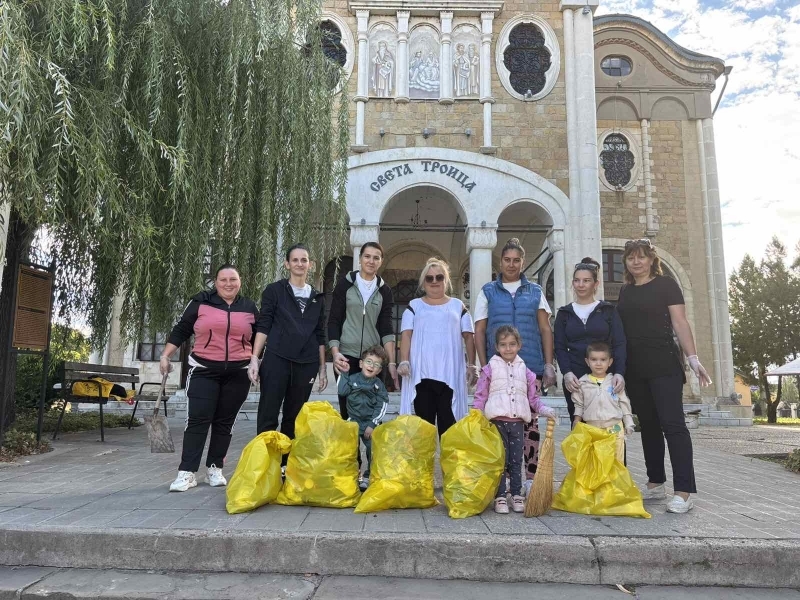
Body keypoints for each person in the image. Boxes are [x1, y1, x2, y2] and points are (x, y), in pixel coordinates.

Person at [616, 238, 712, 514]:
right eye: (631, 258)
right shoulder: (625, 291)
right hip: (635, 368)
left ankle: (683, 492)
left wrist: (693, 358)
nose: (636, 262)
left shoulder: (666, 285)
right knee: (648, 425)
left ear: (651, 260)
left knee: (673, 425)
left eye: (641, 257)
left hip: (664, 365)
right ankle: (656, 482)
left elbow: (680, 322)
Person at [161, 265, 258, 492]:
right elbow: (182, 329)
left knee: (225, 422)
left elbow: (259, 337)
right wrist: (166, 355)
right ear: (215, 282)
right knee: (198, 419)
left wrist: (257, 363)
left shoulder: (250, 307)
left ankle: (215, 467)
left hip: (238, 372)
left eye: (233, 279)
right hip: (203, 369)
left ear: (240, 282)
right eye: (223, 279)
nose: (228, 284)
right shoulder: (200, 302)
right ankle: (187, 472)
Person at [474, 237, 556, 495]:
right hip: (498, 370)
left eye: (516, 260)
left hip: (529, 366)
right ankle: (507, 479)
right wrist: (484, 365)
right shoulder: (488, 291)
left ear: (522, 262)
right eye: (507, 260)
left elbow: (545, 329)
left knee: (529, 425)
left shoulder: (535, 291)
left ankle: (530, 478)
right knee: (502, 425)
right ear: (500, 261)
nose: (511, 264)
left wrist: (549, 364)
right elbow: (480, 330)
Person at [248, 244, 327, 463]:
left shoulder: (318, 297)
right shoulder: (274, 291)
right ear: (287, 264)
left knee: (294, 417)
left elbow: (320, 334)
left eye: (304, 260)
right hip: (277, 360)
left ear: (310, 265)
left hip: (306, 363)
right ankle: (266, 464)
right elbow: (264, 325)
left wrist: (322, 368)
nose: (300, 264)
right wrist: (254, 358)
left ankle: (285, 466)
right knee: (268, 414)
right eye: (295, 260)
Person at [472, 326, 556, 514]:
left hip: (518, 423)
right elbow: (480, 395)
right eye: (503, 345)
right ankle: (500, 496)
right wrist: (476, 414)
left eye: (512, 344)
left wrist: (544, 409)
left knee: (516, 460)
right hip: (497, 422)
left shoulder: (526, 371)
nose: (508, 348)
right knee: (501, 460)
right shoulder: (489, 369)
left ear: (519, 345)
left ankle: (516, 494)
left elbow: (533, 398)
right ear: (497, 347)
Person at [398, 258, 477, 436]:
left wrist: (472, 365)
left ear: (446, 280)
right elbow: (406, 335)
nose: (434, 281)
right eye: (429, 278)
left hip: (450, 376)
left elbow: (469, 336)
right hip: (422, 375)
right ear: (423, 283)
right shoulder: (414, 306)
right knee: (423, 430)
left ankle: (448, 456)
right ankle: (425, 456)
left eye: (439, 277)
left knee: (449, 429)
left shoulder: (458, 306)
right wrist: (403, 361)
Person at [328, 241, 398, 417]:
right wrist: (335, 353)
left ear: (381, 261)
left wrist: (391, 362)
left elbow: (387, 328)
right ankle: (351, 437)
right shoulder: (345, 285)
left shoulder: (385, 291)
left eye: (376, 258)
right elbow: (334, 321)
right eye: (367, 256)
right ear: (360, 259)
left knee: (372, 409)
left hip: (373, 358)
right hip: (346, 357)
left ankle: (370, 435)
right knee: (347, 411)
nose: (371, 261)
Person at [555, 258, 627, 425]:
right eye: (577, 280)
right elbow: (559, 346)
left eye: (586, 280)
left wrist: (619, 373)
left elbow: (619, 343)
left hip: (607, 377)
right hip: (575, 379)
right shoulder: (564, 313)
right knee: (580, 426)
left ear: (596, 284)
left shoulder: (608, 310)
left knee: (610, 424)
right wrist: (566, 373)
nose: (581, 285)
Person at [337, 345, 390, 491]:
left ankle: (368, 476)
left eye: (376, 365)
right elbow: (342, 392)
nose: (371, 366)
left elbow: (382, 404)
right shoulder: (352, 379)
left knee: (373, 449)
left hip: (369, 423)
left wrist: (373, 424)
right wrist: (345, 373)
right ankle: (352, 474)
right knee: (349, 449)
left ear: (379, 370)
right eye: (369, 362)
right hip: (353, 421)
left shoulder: (378, 385)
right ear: (361, 363)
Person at [571, 342, 635, 463]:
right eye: (594, 359)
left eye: (603, 360)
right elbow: (579, 404)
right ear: (587, 361)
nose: (598, 363)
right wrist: (576, 421)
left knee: (615, 461)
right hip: (593, 429)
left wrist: (629, 422)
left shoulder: (615, 382)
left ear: (610, 362)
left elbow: (624, 402)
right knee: (597, 462)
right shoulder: (583, 383)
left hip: (614, 427)